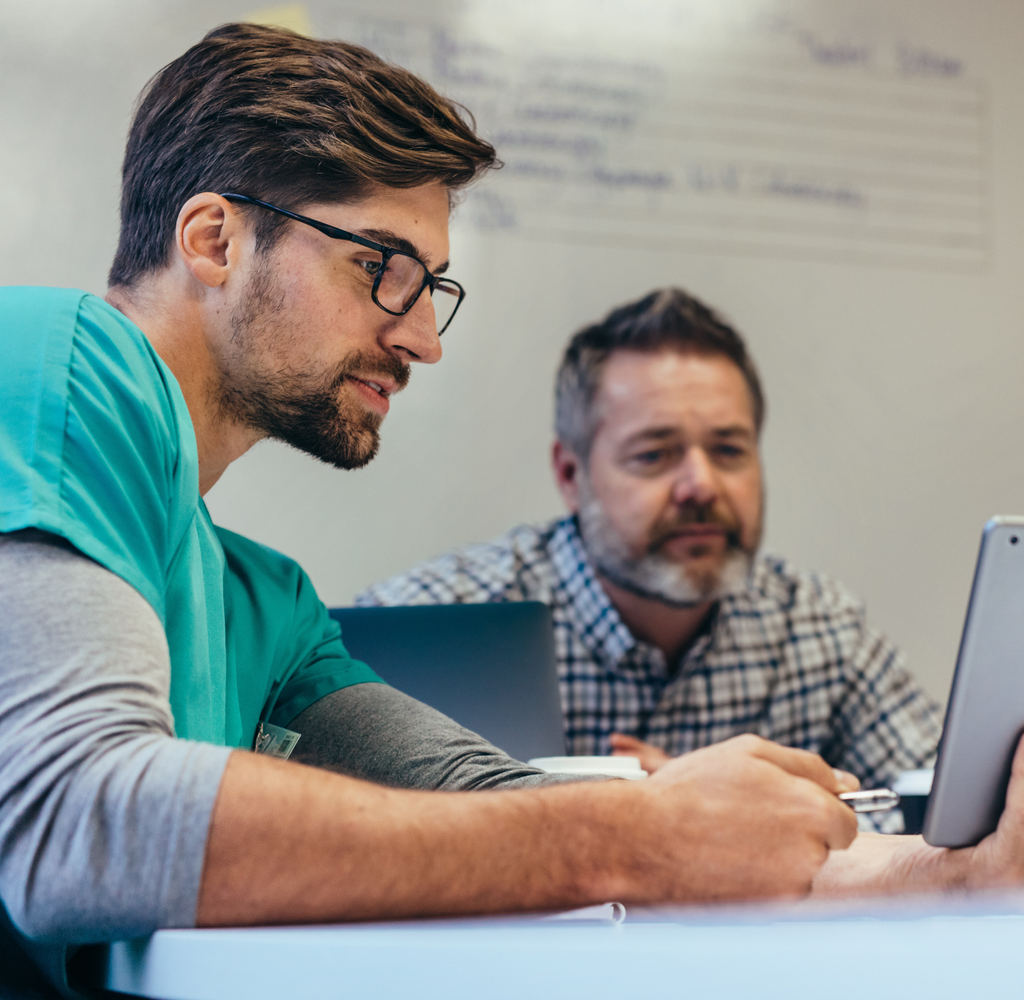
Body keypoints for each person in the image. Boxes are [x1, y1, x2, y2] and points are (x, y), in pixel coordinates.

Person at [0, 24, 1024, 998]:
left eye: (436, 289)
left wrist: (924, 883)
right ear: (212, 239)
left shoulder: (264, 605)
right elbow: (76, 825)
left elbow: (488, 813)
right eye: (385, 271)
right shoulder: (27, 362)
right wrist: (642, 836)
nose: (421, 339)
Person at [356, 288, 940, 828]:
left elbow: (945, 817)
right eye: (655, 454)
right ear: (570, 474)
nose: (701, 486)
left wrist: (740, 815)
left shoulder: (820, 627)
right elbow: (354, 838)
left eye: (729, 450)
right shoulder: (426, 624)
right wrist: (648, 818)